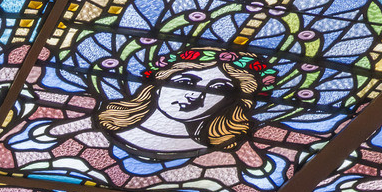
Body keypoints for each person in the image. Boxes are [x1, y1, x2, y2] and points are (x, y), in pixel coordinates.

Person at [96, 53, 262, 160]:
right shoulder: (82, 127)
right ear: (158, 85)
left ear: (229, 103)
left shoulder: (217, 157)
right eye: (186, 82)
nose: (195, 95)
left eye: (218, 89)